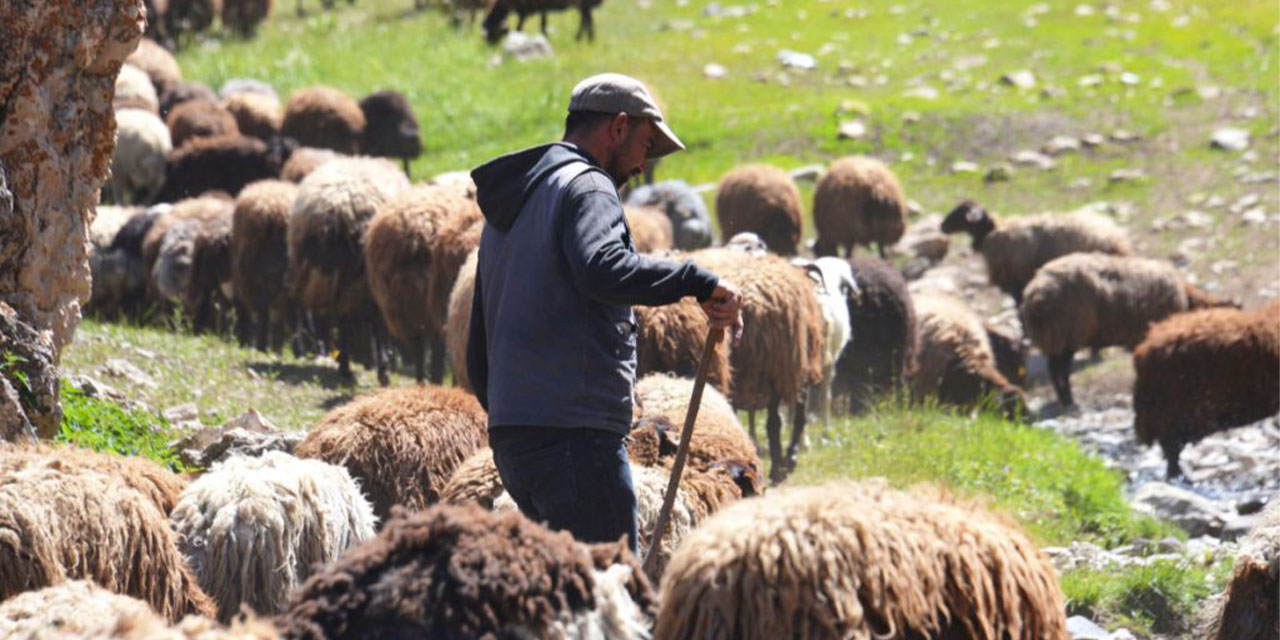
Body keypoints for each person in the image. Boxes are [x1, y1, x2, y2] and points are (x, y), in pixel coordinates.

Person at [466, 73, 744, 552]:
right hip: (575, 438)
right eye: (646, 144)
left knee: (564, 599)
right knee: (611, 594)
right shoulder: (590, 188)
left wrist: (515, 415)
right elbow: (601, 268)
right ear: (618, 127)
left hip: (516, 438)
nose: (642, 165)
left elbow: (478, 341)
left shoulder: (517, 199)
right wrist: (694, 280)